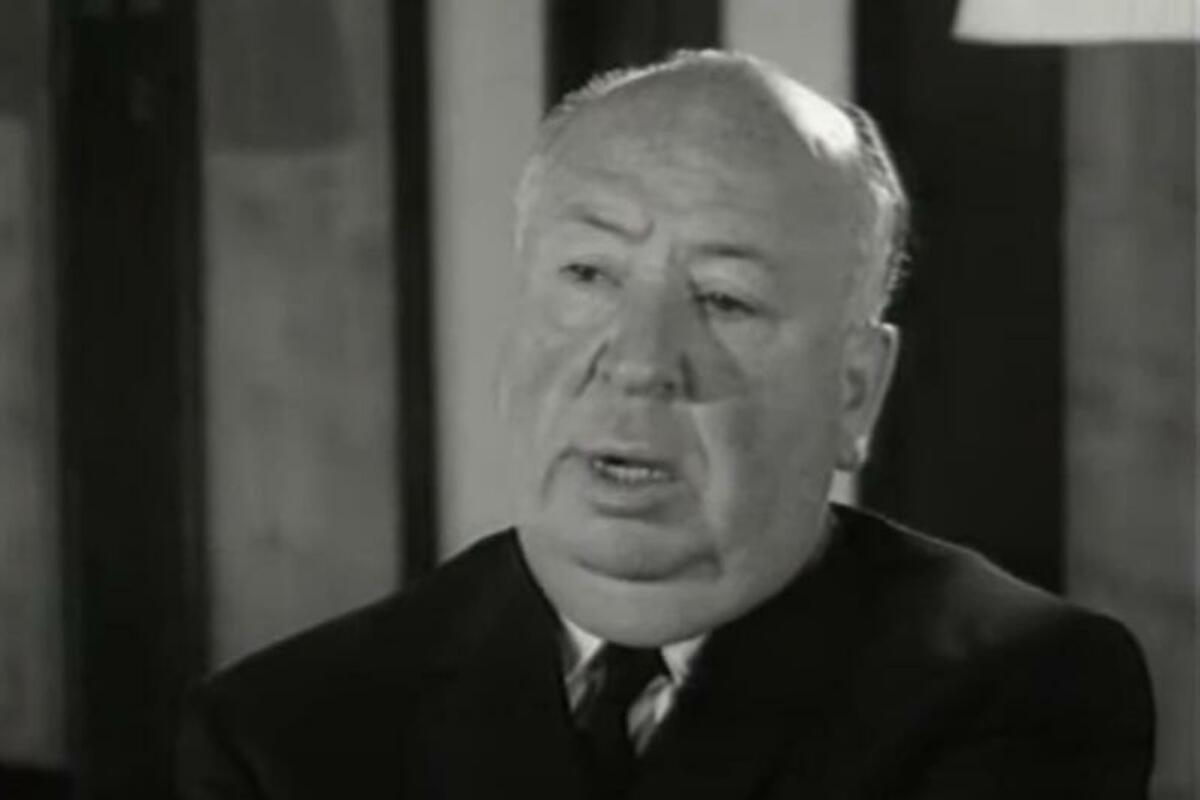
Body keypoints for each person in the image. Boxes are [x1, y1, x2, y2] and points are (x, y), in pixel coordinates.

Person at [176, 50, 1154, 799]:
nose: (640, 360)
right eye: (588, 275)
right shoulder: (282, 733)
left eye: (725, 299)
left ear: (854, 390)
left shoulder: (1022, 688)